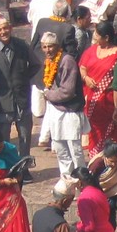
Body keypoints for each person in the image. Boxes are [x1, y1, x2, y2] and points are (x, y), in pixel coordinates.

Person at [0, 11, 36, 159]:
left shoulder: (22, 45)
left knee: (25, 137)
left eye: (6, 28)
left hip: (22, 99)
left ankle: (24, 168)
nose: (3, 32)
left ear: (10, 28)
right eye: (0, 30)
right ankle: (7, 167)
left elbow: (36, 64)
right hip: (2, 101)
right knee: (4, 139)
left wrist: (24, 79)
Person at [41, 31, 90, 182]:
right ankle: (67, 180)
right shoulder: (49, 61)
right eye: (44, 47)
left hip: (70, 111)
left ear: (57, 46)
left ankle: (81, 181)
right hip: (56, 110)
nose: (47, 50)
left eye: (50, 46)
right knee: (60, 147)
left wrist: (48, 94)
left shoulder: (66, 60)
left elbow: (67, 91)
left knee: (75, 150)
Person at [30, 0, 78, 150]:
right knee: (52, 103)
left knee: (43, 105)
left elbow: (32, 45)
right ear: (67, 13)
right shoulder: (68, 28)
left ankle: (45, 136)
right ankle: (48, 137)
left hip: (39, 68)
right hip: (55, 71)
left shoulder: (42, 22)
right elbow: (71, 53)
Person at [80, 21, 117, 157]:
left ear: (106, 38)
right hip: (92, 102)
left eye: (97, 37)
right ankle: (96, 160)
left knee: (113, 133)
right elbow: (82, 67)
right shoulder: (92, 50)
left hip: (111, 101)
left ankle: (112, 162)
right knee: (94, 131)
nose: (95, 40)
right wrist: (86, 78)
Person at [88, 139, 117, 226]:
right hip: (100, 196)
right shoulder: (97, 165)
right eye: (112, 161)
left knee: (111, 218)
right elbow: (92, 183)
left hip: (114, 194)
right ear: (105, 157)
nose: (114, 164)